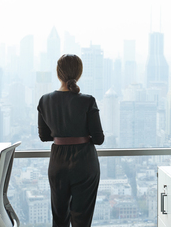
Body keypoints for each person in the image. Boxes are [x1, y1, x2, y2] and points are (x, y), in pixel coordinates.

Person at [37, 54, 105, 227]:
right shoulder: (88, 101)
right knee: (82, 219)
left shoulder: (45, 100)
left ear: (58, 74)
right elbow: (98, 139)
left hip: (58, 163)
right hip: (84, 163)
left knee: (59, 218)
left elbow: (45, 136)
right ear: (79, 74)